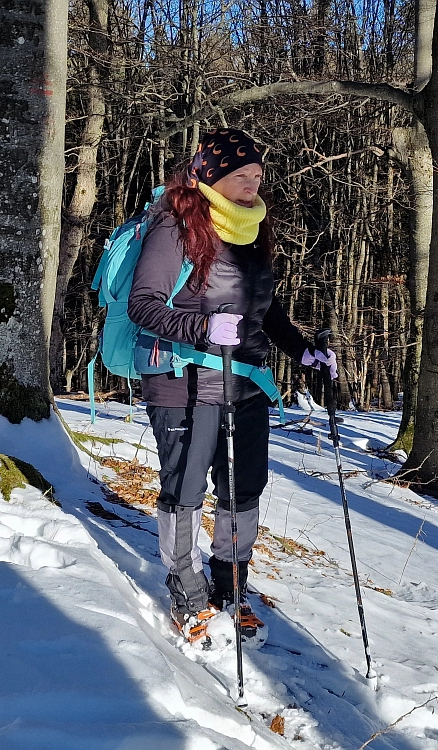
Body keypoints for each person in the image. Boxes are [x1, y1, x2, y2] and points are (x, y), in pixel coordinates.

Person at [128, 128, 337, 644]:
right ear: (209, 176)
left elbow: (264, 306)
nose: (250, 185)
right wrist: (202, 327)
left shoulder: (252, 229)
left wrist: (301, 350)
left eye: (257, 176)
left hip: (244, 382)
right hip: (182, 380)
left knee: (244, 488)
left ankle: (231, 586)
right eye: (239, 175)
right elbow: (143, 304)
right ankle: (187, 593)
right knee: (185, 489)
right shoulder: (175, 227)